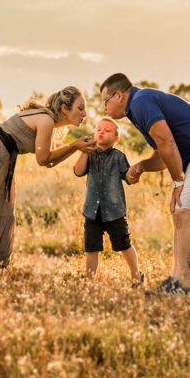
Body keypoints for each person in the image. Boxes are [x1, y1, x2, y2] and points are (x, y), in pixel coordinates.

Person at [100, 73, 190, 295]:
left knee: (183, 212)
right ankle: (177, 281)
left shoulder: (140, 101)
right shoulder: (137, 108)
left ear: (118, 95)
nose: (104, 108)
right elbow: (163, 152)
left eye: (105, 102)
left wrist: (178, 182)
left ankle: (183, 286)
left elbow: (167, 141)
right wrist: (143, 165)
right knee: (178, 211)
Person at [0, 86, 97, 268]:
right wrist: (74, 146)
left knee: (1, 210)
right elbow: (43, 160)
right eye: (80, 108)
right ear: (65, 108)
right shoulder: (46, 120)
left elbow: (48, 160)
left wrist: (75, 147)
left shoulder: (46, 119)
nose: (84, 114)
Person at [73, 117, 144, 286]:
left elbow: (127, 176)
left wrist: (133, 175)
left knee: (124, 244)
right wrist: (84, 151)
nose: (101, 132)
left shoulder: (119, 156)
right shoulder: (89, 154)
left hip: (114, 211)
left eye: (107, 130)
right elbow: (78, 171)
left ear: (116, 138)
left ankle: (136, 275)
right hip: (92, 211)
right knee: (92, 247)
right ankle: (89, 281)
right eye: (98, 129)